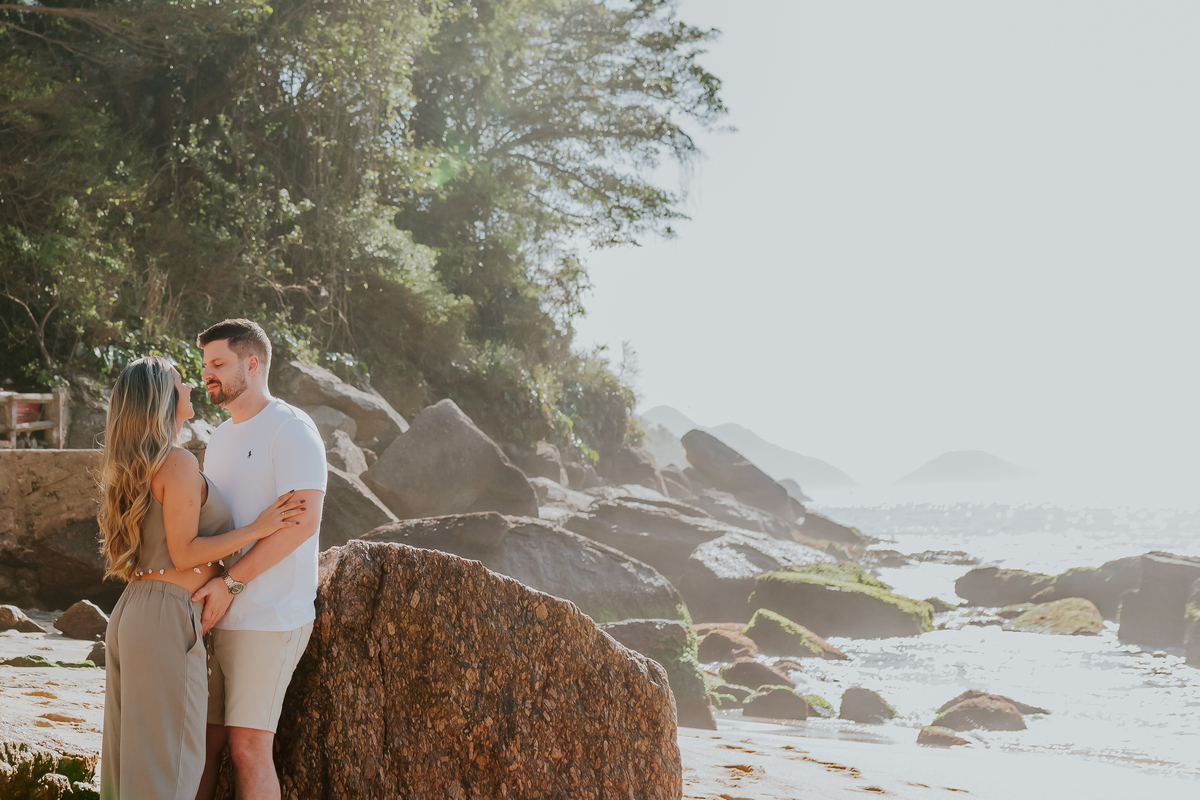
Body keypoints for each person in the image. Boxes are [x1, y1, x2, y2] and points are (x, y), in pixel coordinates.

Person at [98, 356, 306, 800]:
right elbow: (185, 551)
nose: (191, 386)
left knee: (135, 762)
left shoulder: (139, 463)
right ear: (163, 398)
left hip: (139, 611)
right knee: (170, 766)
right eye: (180, 382)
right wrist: (257, 528)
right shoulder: (176, 462)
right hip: (165, 617)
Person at [191, 319, 327, 800]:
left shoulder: (290, 429)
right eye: (206, 364)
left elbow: (302, 523)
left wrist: (230, 586)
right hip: (216, 613)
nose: (207, 374)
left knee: (248, 748)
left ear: (252, 363)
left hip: (269, 616)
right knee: (201, 745)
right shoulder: (220, 437)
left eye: (218, 364)